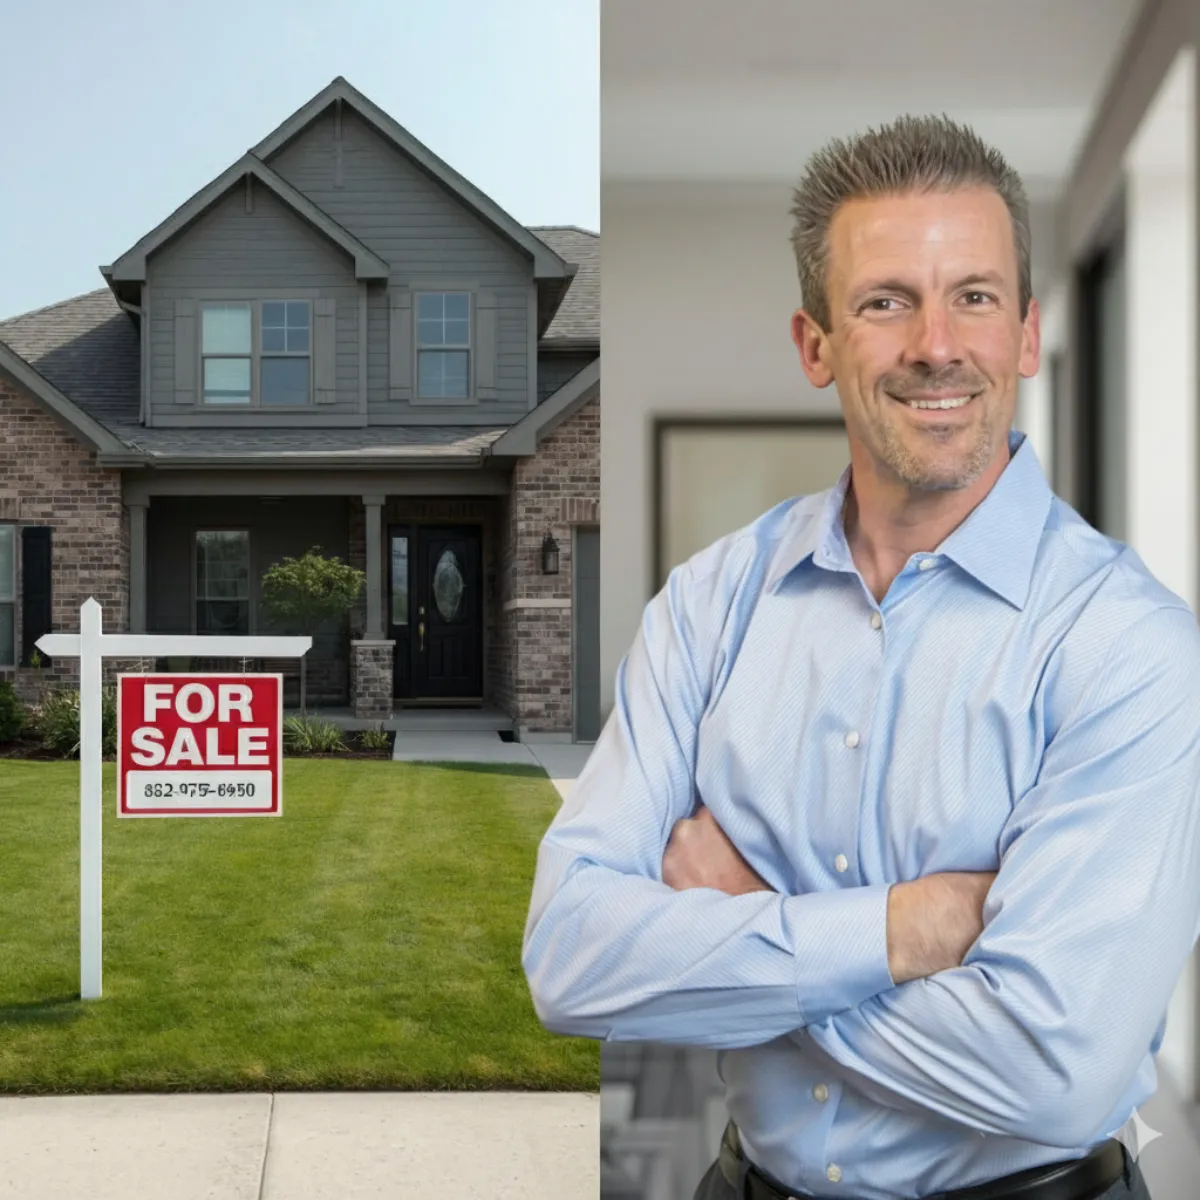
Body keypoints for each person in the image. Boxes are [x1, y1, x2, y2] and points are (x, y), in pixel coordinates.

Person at [523, 113, 1200, 1200]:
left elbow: (1054, 1074)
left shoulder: (1127, 647)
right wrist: (906, 927)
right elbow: (570, 959)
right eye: (886, 301)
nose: (937, 343)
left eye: (974, 295)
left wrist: (742, 923)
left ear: (1024, 333)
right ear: (816, 345)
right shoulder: (707, 608)